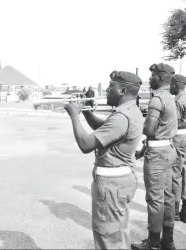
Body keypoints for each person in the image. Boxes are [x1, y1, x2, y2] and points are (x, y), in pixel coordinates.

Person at [63, 70, 143, 249]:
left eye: (111, 86)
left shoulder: (121, 118)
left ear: (122, 91)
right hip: (121, 182)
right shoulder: (130, 111)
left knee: (107, 238)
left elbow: (85, 144)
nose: (107, 90)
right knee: (118, 234)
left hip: (111, 186)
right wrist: (85, 110)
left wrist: (74, 115)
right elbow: (103, 128)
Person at [132, 63, 178, 250]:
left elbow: (149, 129)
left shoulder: (157, 99)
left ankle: (153, 243)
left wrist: (136, 122)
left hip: (158, 155)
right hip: (168, 149)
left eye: (152, 76)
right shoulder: (169, 97)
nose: (149, 79)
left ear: (159, 78)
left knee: (155, 199)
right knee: (167, 197)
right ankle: (168, 241)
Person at [169, 74, 186, 224]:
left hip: (178, 138)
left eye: (171, 84)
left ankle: (177, 211)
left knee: (176, 175)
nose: (170, 87)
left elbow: (177, 123)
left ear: (176, 85)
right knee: (185, 173)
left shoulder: (178, 102)